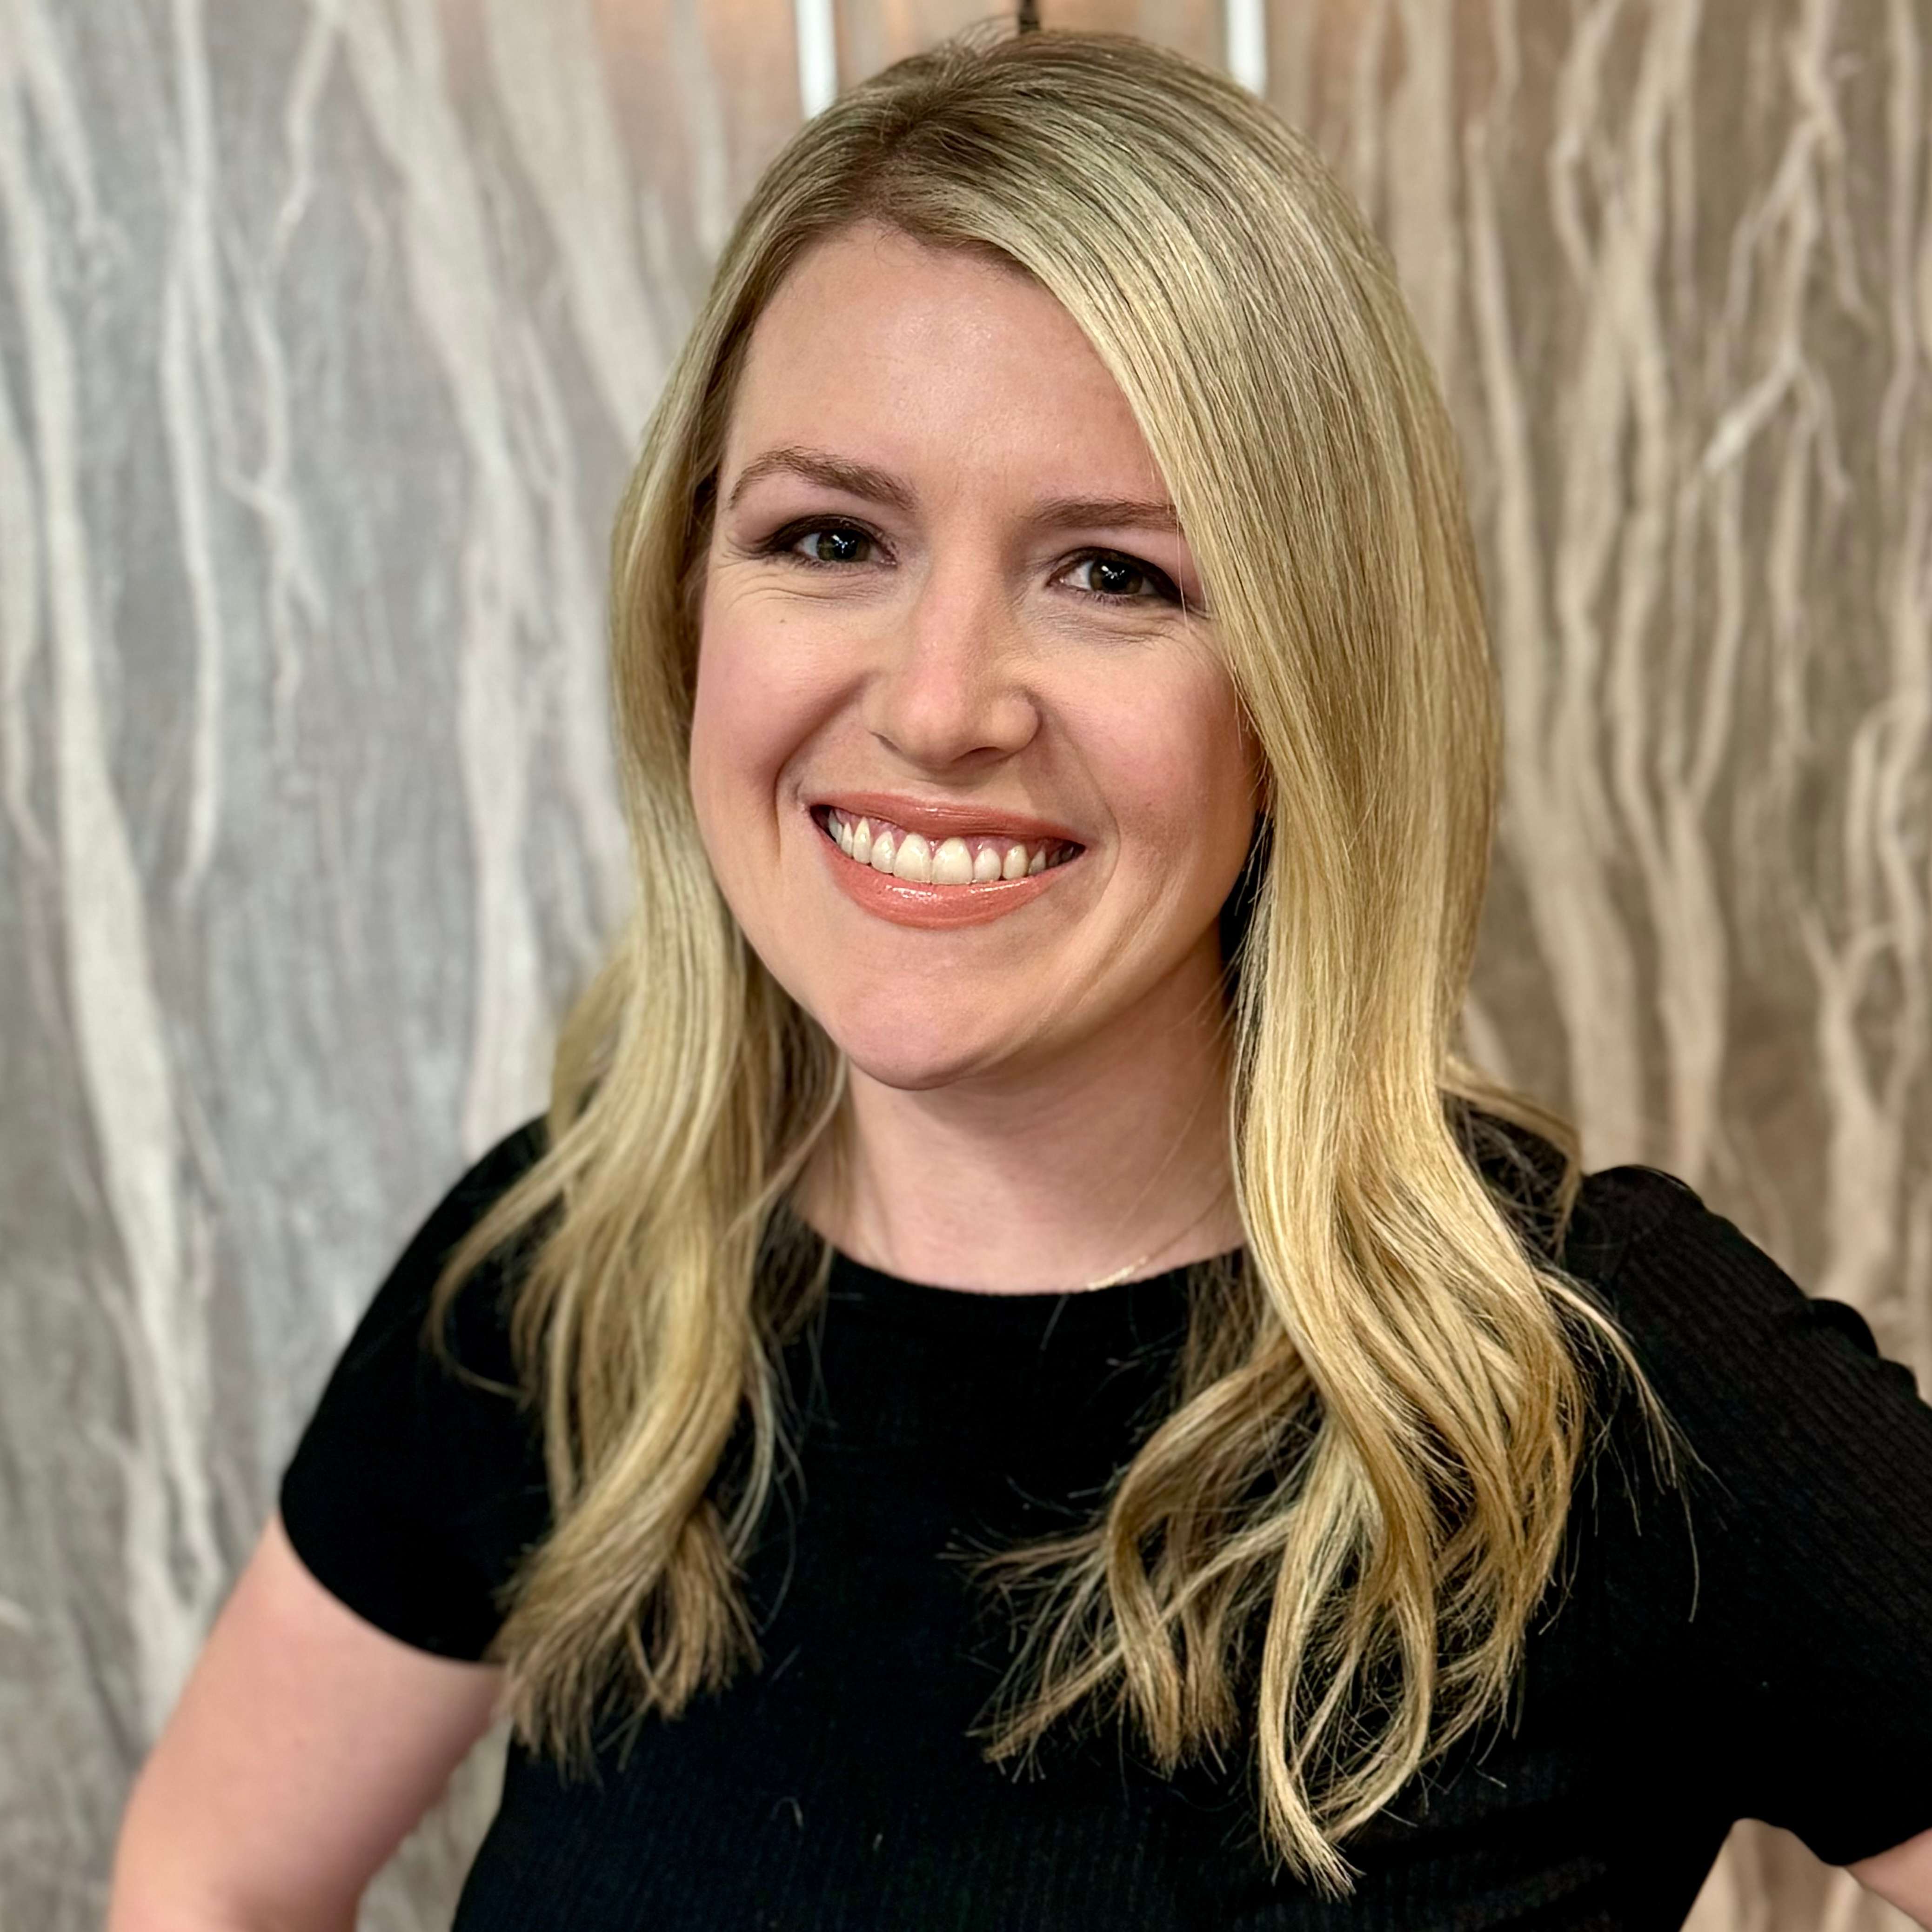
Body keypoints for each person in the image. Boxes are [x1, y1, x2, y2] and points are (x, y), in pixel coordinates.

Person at [108, 25, 1932, 1932]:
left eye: (1114, 574)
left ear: (1306, 679)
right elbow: (211, 1874)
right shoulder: (565, 1285)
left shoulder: (1596, 1378)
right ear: (688, 599)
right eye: (830, 538)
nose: (937, 705)